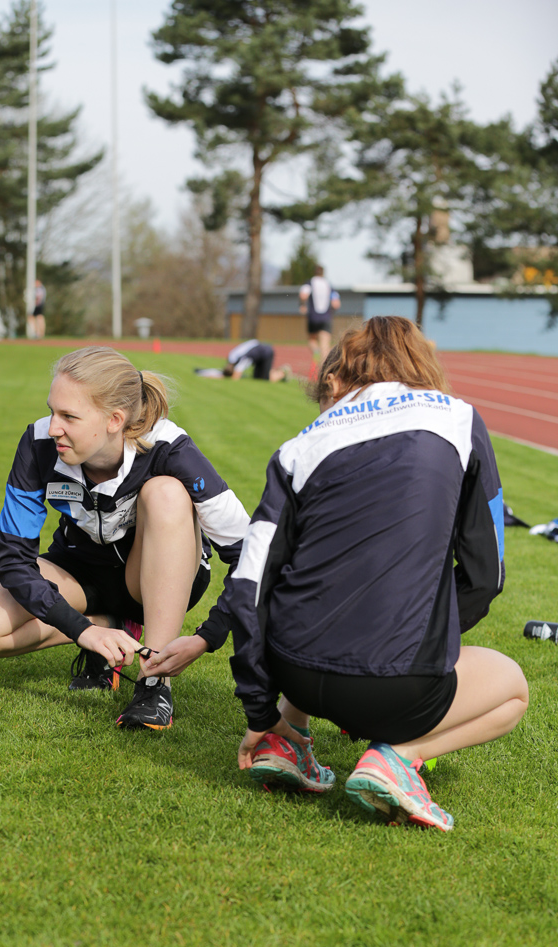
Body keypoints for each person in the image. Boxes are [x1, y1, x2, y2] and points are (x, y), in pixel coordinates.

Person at [226, 315, 528, 831]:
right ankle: (399, 758)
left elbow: (250, 586)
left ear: (334, 380)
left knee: (318, 594)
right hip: (396, 685)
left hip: (293, 670)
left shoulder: (302, 444)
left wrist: (260, 711)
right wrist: (422, 640)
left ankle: (285, 738)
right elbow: (487, 575)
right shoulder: (459, 418)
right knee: (513, 686)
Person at [0, 346, 328, 743]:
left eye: (69, 416)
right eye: (52, 411)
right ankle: (107, 625)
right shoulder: (38, 441)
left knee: (165, 492)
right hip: (77, 571)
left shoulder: (170, 447)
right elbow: (14, 560)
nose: (54, 427)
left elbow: (253, 558)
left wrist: (208, 636)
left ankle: (154, 680)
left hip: (152, 579)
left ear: (114, 420)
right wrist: (82, 631)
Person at [298, 266, 340, 374]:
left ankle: (315, 350)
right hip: (326, 317)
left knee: (312, 340)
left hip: (313, 317)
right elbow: (336, 303)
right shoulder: (329, 285)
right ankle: (324, 371)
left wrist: (302, 305)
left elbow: (303, 295)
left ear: (314, 272)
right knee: (325, 345)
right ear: (323, 273)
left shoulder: (309, 283)